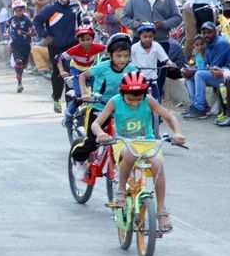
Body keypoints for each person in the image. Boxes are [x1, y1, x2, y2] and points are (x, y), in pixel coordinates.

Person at [91, 71, 186, 233]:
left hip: (147, 142)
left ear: (144, 94)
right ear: (122, 94)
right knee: (131, 154)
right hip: (123, 143)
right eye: (130, 99)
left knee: (158, 163)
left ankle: (161, 210)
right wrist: (101, 134)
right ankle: (121, 190)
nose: (135, 103)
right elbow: (96, 124)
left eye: (138, 99)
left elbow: (169, 117)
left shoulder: (149, 100)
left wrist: (177, 132)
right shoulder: (114, 102)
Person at [71, 33, 137, 162]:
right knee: (92, 142)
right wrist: (85, 93)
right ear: (111, 55)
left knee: (131, 139)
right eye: (118, 56)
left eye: (126, 56)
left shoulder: (132, 69)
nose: (122, 60)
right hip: (99, 106)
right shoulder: (103, 67)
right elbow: (83, 76)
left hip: (120, 108)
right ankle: (77, 159)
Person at [34, 0, 83, 113]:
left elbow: (83, 20)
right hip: (56, 47)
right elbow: (37, 21)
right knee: (58, 74)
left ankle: (70, 104)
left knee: (71, 74)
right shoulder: (50, 9)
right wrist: (45, 36)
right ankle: (56, 99)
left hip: (72, 46)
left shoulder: (75, 6)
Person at [183, 21, 230, 119]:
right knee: (188, 77)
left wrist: (194, 71)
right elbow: (207, 66)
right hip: (219, 74)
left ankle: (200, 109)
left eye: (209, 32)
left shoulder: (220, 43)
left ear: (215, 32)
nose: (206, 35)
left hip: (229, 76)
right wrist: (190, 70)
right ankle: (199, 106)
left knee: (199, 75)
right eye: (204, 33)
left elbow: (214, 68)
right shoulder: (208, 44)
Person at [58, 25, 106, 123]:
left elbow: (111, 50)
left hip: (90, 70)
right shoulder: (74, 49)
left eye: (88, 39)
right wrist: (62, 71)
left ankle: (99, 111)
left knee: (96, 93)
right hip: (77, 70)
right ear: (78, 40)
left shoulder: (97, 47)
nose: (86, 42)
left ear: (93, 39)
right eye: (82, 40)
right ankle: (69, 114)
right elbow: (59, 58)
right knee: (79, 94)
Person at [130, 22, 176, 102]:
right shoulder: (134, 47)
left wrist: (170, 63)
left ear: (153, 36)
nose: (147, 39)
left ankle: (157, 114)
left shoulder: (156, 45)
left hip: (152, 78)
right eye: (144, 36)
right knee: (138, 101)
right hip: (138, 79)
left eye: (150, 36)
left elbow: (165, 58)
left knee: (157, 101)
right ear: (140, 36)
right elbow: (128, 60)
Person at [7, 0, 34, 93]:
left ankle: (20, 75)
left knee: (24, 64)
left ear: (23, 9)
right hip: (15, 45)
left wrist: (27, 33)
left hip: (26, 45)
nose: (18, 12)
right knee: (18, 62)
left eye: (20, 9)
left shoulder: (27, 20)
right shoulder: (11, 19)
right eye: (16, 10)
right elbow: (7, 28)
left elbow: (32, 31)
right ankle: (19, 83)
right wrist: (8, 34)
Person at [182, 35, 207, 103]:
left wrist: (193, 70)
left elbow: (206, 68)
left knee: (190, 78)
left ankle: (196, 103)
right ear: (194, 46)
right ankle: (193, 102)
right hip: (197, 74)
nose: (200, 47)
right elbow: (193, 65)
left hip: (204, 75)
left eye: (202, 44)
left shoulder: (206, 54)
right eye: (197, 45)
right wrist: (189, 68)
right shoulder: (196, 55)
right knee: (187, 79)